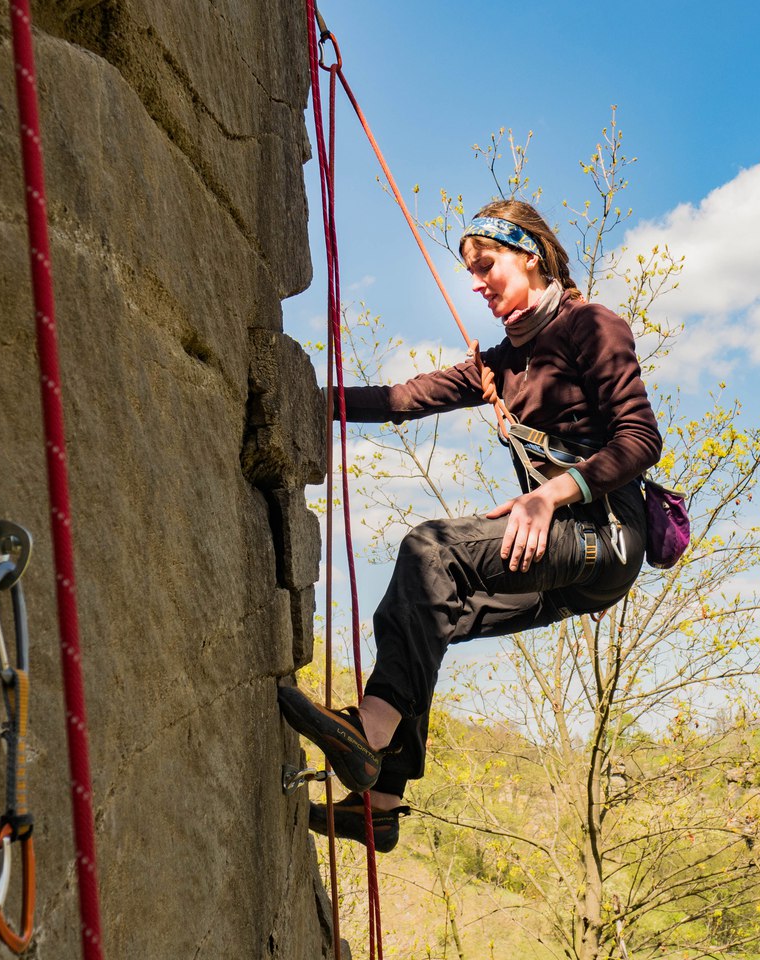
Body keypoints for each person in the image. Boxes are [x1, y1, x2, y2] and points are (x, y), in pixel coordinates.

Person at [278, 199, 663, 852]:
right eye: (471, 274)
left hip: (606, 538)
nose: (478, 284)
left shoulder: (591, 326)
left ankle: (370, 730)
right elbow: (403, 399)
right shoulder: (496, 366)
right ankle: (380, 803)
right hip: (559, 558)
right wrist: (306, 398)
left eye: (487, 267)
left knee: (431, 551)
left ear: (530, 256)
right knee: (428, 609)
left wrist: (550, 498)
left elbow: (641, 437)